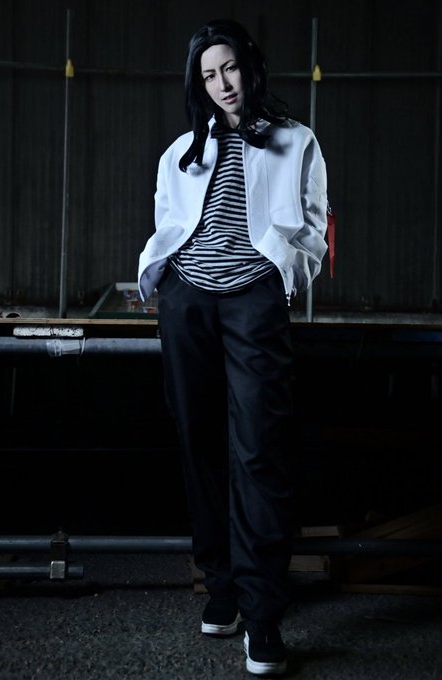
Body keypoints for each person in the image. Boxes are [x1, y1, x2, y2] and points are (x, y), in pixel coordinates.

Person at [138, 18, 328, 676]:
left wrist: (279, 276)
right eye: (209, 74)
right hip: (187, 300)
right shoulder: (180, 151)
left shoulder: (295, 141)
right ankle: (221, 587)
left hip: (254, 301)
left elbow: (313, 228)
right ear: (199, 83)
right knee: (198, 442)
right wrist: (165, 282)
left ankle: (263, 610)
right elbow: (170, 224)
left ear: (251, 68)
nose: (222, 84)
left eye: (230, 68)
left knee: (259, 449)